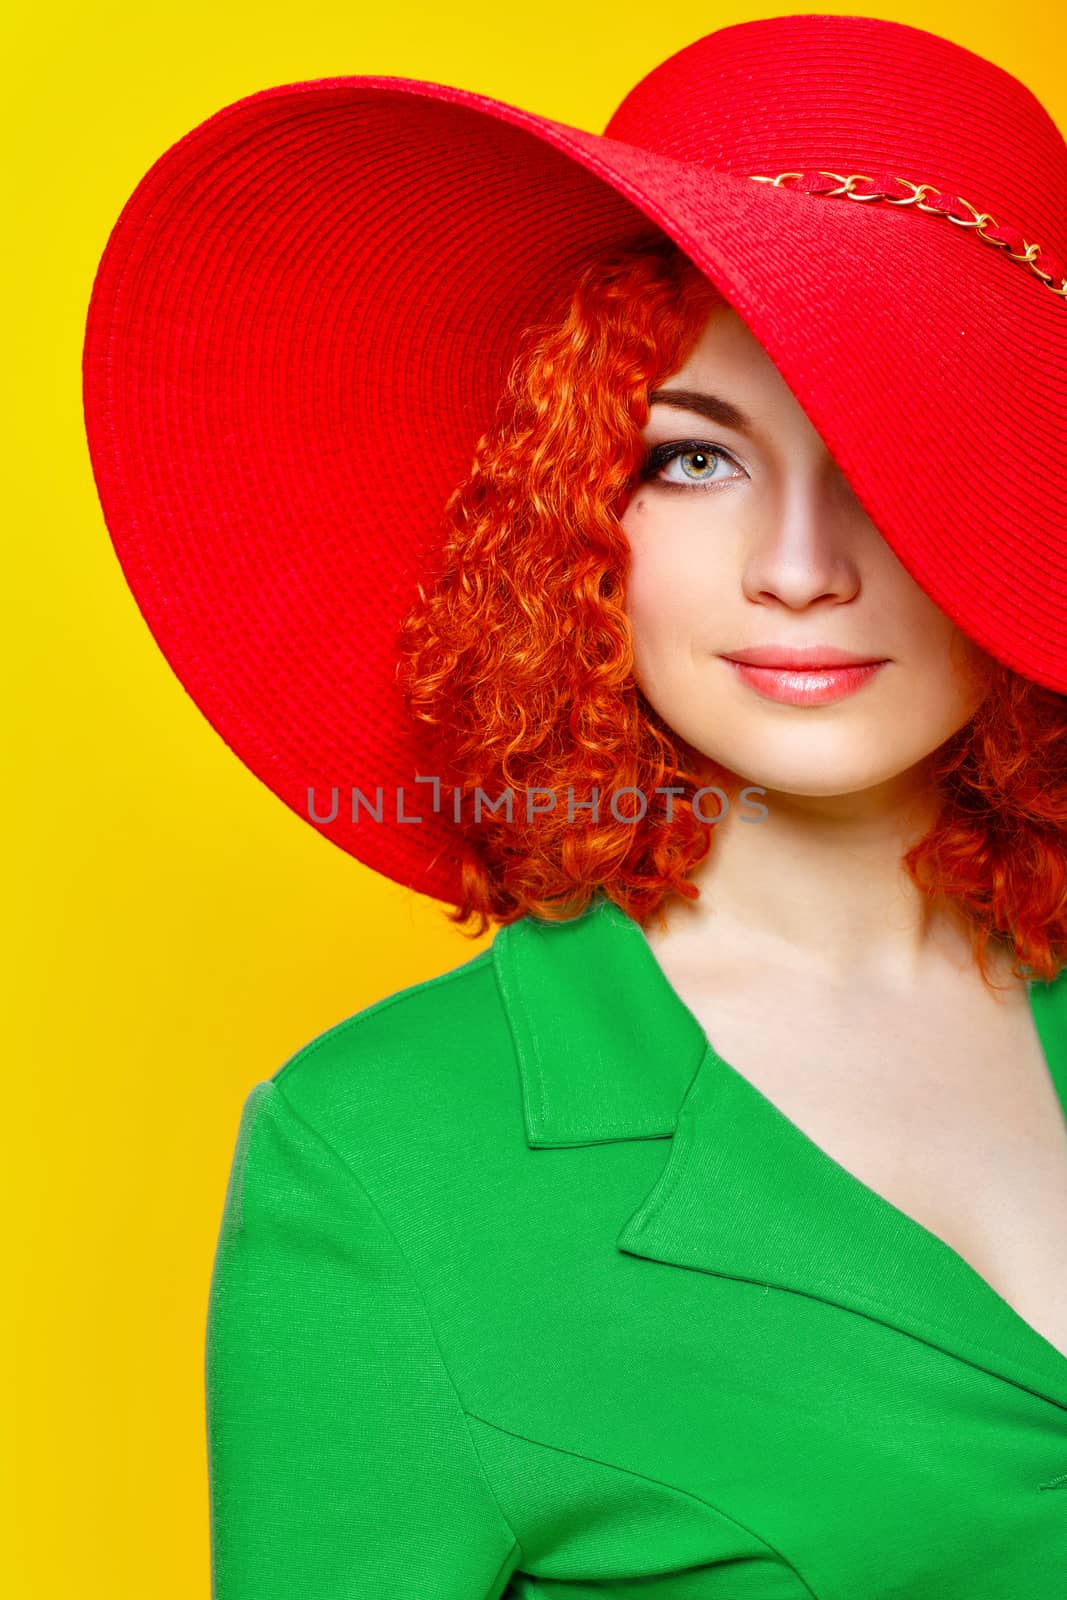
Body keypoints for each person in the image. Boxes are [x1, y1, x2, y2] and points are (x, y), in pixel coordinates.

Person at [81, 12, 1067, 1597]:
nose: (801, 570)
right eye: (693, 461)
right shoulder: (388, 1156)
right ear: (573, 517)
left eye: (899, 449)